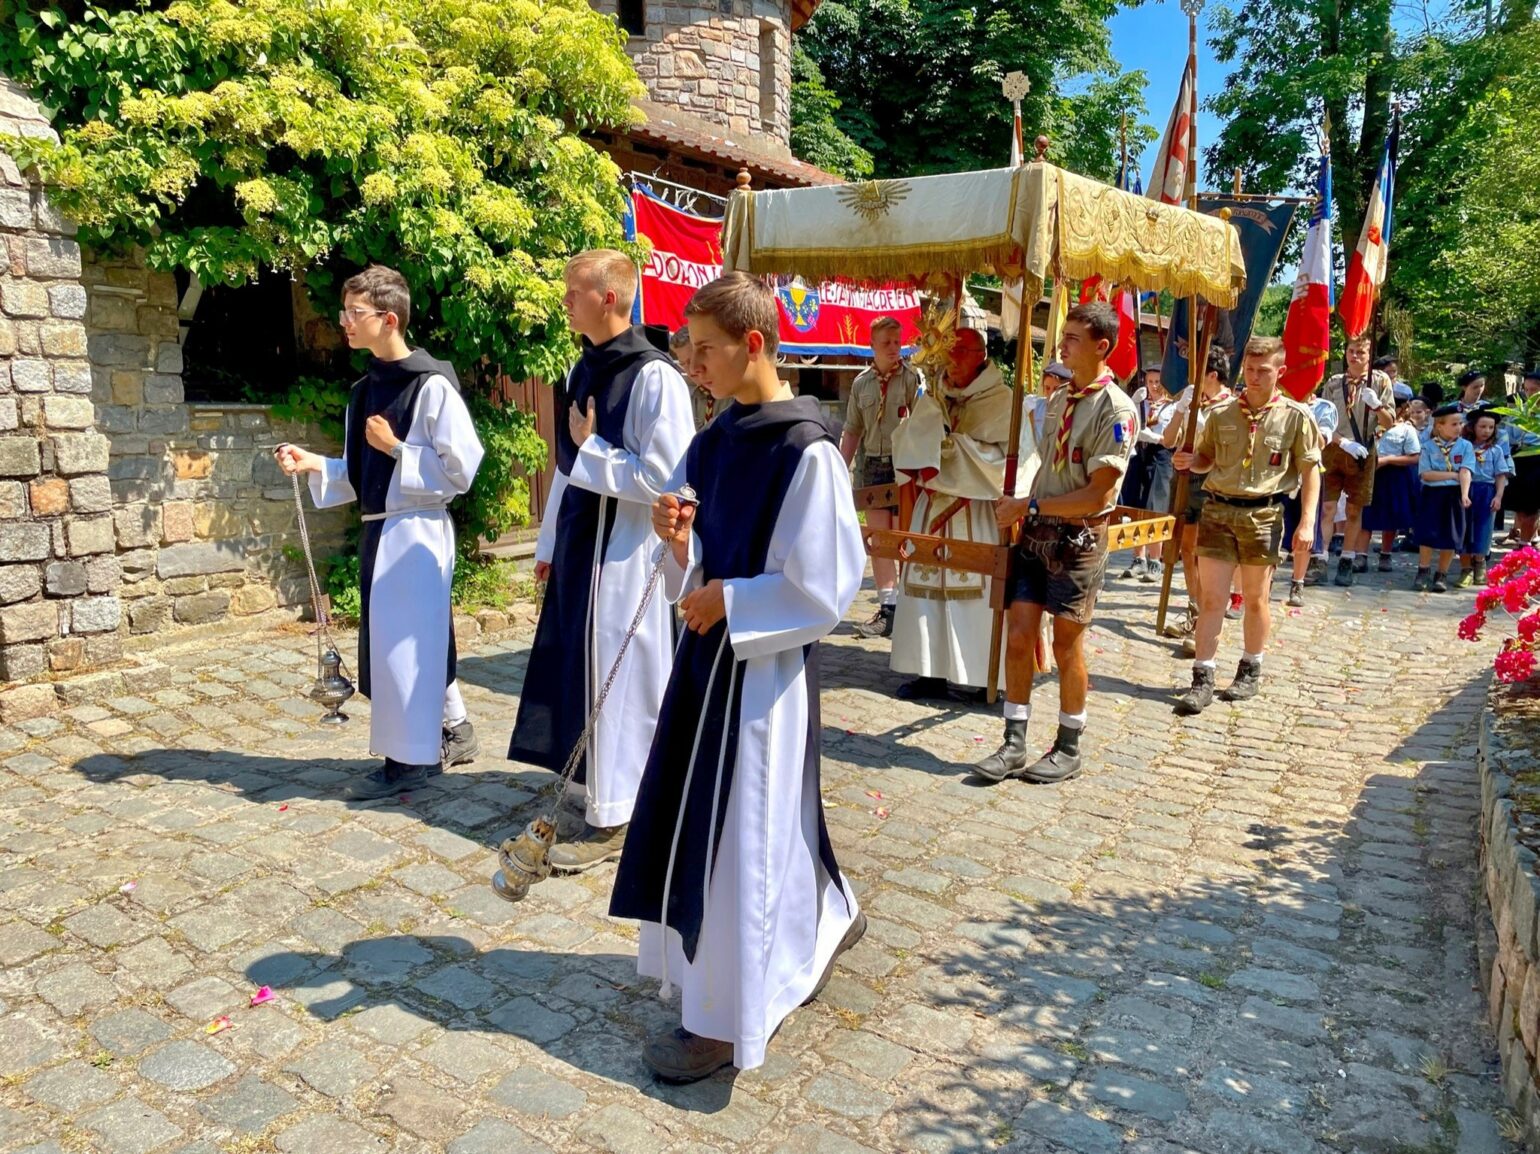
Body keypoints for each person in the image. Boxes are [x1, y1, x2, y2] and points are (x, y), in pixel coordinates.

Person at [609, 272, 866, 1083]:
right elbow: (703, 544)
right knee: (708, 824)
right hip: (708, 655)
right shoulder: (717, 437)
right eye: (687, 347)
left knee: (744, 831)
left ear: (755, 345)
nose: (691, 364)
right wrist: (681, 541)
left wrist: (735, 598)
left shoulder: (807, 450)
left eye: (705, 349)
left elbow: (825, 583)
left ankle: (726, 1015)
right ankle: (776, 941)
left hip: (762, 675)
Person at [508, 250, 694, 872]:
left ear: (609, 297)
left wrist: (594, 451)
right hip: (583, 545)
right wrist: (548, 544)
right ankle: (594, 788)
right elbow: (567, 464)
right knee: (580, 670)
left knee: (622, 678)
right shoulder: (579, 367)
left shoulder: (655, 378)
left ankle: (622, 812)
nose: (565, 301)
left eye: (573, 291)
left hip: (627, 555)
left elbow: (668, 477)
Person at [276, 265, 485, 799]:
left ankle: (411, 761)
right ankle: (447, 734)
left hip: (417, 533)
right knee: (397, 645)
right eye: (344, 311)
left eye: (355, 313)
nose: (344, 322)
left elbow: (462, 471)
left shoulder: (431, 385)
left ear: (388, 319)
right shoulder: (363, 391)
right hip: (381, 531)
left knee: (408, 649)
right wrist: (315, 465)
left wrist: (397, 449)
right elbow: (359, 474)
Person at [973, 301, 1137, 784]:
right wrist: (1026, 503)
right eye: (1062, 336)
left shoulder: (1118, 410)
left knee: (1067, 645)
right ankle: (1013, 741)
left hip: (1079, 541)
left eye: (1071, 339)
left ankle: (1069, 744)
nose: (1061, 345)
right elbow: (1050, 468)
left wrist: (1030, 507)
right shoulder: (1060, 400)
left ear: (1101, 347)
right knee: (1020, 634)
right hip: (1037, 535)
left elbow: (1098, 493)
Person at [1171, 337, 1320, 715]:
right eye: (1249, 370)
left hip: (1263, 514)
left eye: (1263, 371)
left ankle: (1250, 667)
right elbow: (1207, 458)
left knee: (1255, 597)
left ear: (1279, 372)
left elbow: (1309, 470)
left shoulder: (1295, 417)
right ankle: (1202, 677)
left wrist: (1307, 522)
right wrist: (1191, 461)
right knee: (1211, 597)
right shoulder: (1222, 414)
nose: (1254, 378)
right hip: (1218, 510)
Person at [888, 325, 1012, 701]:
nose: (951, 359)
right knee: (924, 593)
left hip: (974, 512)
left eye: (960, 352)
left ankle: (979, 677)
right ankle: (929, 674)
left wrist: (951, 450)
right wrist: (924, 440)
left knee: (974, 600)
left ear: (981, 356)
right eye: (948, 351)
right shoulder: (935, 394)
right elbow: (908, 439)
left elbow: (1007, 464)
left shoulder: (1003, 400)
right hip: (932, 509)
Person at [840, 316, 923, 639]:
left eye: (897, 341)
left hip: (904, 465)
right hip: (872, 465)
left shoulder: (913, 379)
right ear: (871, 345)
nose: (893, 348)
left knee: (903, 537)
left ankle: (912, 604)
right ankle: (888, 607)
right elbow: (852, 431)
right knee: (878, 539)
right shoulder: (862, 384)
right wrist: (837, 471)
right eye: (886, 342)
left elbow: (925, 426)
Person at [1320, 335, 1394, 586]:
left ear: (1370, 355)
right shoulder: (1334, 382)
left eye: (1361, 353)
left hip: (1364, 450)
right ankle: (1320, 557)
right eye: (1351, 351)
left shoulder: (1380, 381)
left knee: (1354, 509)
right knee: (1328, 507)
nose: (1355, 357)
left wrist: (1377, 407)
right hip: (1334, 448)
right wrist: (1342, 442)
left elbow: (1389, 422)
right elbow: (1323, 421)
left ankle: (1347, 560)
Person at [1414, 403, 1474, 593]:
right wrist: (1452, 475)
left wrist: (1464, 494)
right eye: (1454, 424)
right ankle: (1423, 570)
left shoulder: (1465, 446)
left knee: (1451, 535)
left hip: (1455, 495)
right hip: (1432, 494)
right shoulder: (1428, 447)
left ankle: (1442, 574)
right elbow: (1426, 474)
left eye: (1460, 423)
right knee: (1427, 533)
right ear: (1439, 425)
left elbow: (1465, 471)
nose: (1459, 427)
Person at [1362, 400, 1423, 572]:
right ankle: (1361, 555)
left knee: (1390, 517)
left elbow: (1414, 457)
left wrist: (1388, 460)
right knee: (1365, 516)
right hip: (1370, 475)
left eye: (1393, 407)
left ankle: (1385, 554)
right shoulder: (1370, 425)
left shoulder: (1406, 430)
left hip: (1393, 475)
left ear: (1402, 409)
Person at [1121, 365, 1168, 581]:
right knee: (1136, 506)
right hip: (1139, 453)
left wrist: (1157, 438)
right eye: (1150, 382)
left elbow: (1170, 435)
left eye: (1158, 382)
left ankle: (1156, 560)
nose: (1154, 386)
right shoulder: (1140, 404)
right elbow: (1122, 429)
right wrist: (1132, 404)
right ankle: (1138, 558)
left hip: (1161, 456)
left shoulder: (1171, 406)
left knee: (1154, 509)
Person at [1458, 408, 1513, 586]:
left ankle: (1480, 563)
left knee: (1483, 529)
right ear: (1473, 427)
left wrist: (1498, 496)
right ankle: (1465, 568)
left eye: (1491, 427)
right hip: (1465, 490)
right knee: (1463, 529)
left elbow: (1500, 475)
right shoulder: (1463, 447)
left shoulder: (1496, 451)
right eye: (1482, 426)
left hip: (1486, 491)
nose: (1486, 431)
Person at [1504, 369, 1540, 547]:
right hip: (1518, 459)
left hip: (1537, 460)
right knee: (1520, 506)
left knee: (1531, 505)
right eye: (1527, 390)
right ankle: (1525, 538)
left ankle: (1525, 544)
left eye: (1535, 390)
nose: (1530, 394)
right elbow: (1509, 435)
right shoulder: (1518, 411)